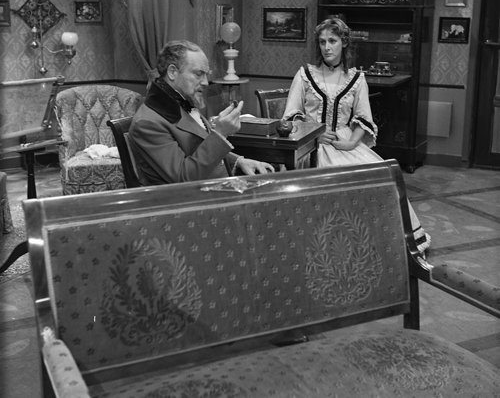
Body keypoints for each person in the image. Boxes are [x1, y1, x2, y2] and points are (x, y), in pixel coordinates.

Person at [282, 18, 430, 256]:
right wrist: (314, 133)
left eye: (332, 41)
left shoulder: (356, 78)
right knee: (333, 183)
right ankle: (329, 246)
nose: (327, 47)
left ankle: (379, 244)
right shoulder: (305, 75)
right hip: (310, 145)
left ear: (344, 43)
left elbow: (363, 118)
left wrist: (351, 143)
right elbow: (291, 115)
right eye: (322, 42)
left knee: (381, 178)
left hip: (345, 142)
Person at [129, 40, 275, 185]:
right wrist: (220, 134)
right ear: (172, 72)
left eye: (206, 74)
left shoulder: (181, 101)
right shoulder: (147, 123)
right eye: (198, 74)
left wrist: (238, 161)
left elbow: (199, 148)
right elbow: (184, 177)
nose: (205, 82)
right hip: (189, 198)